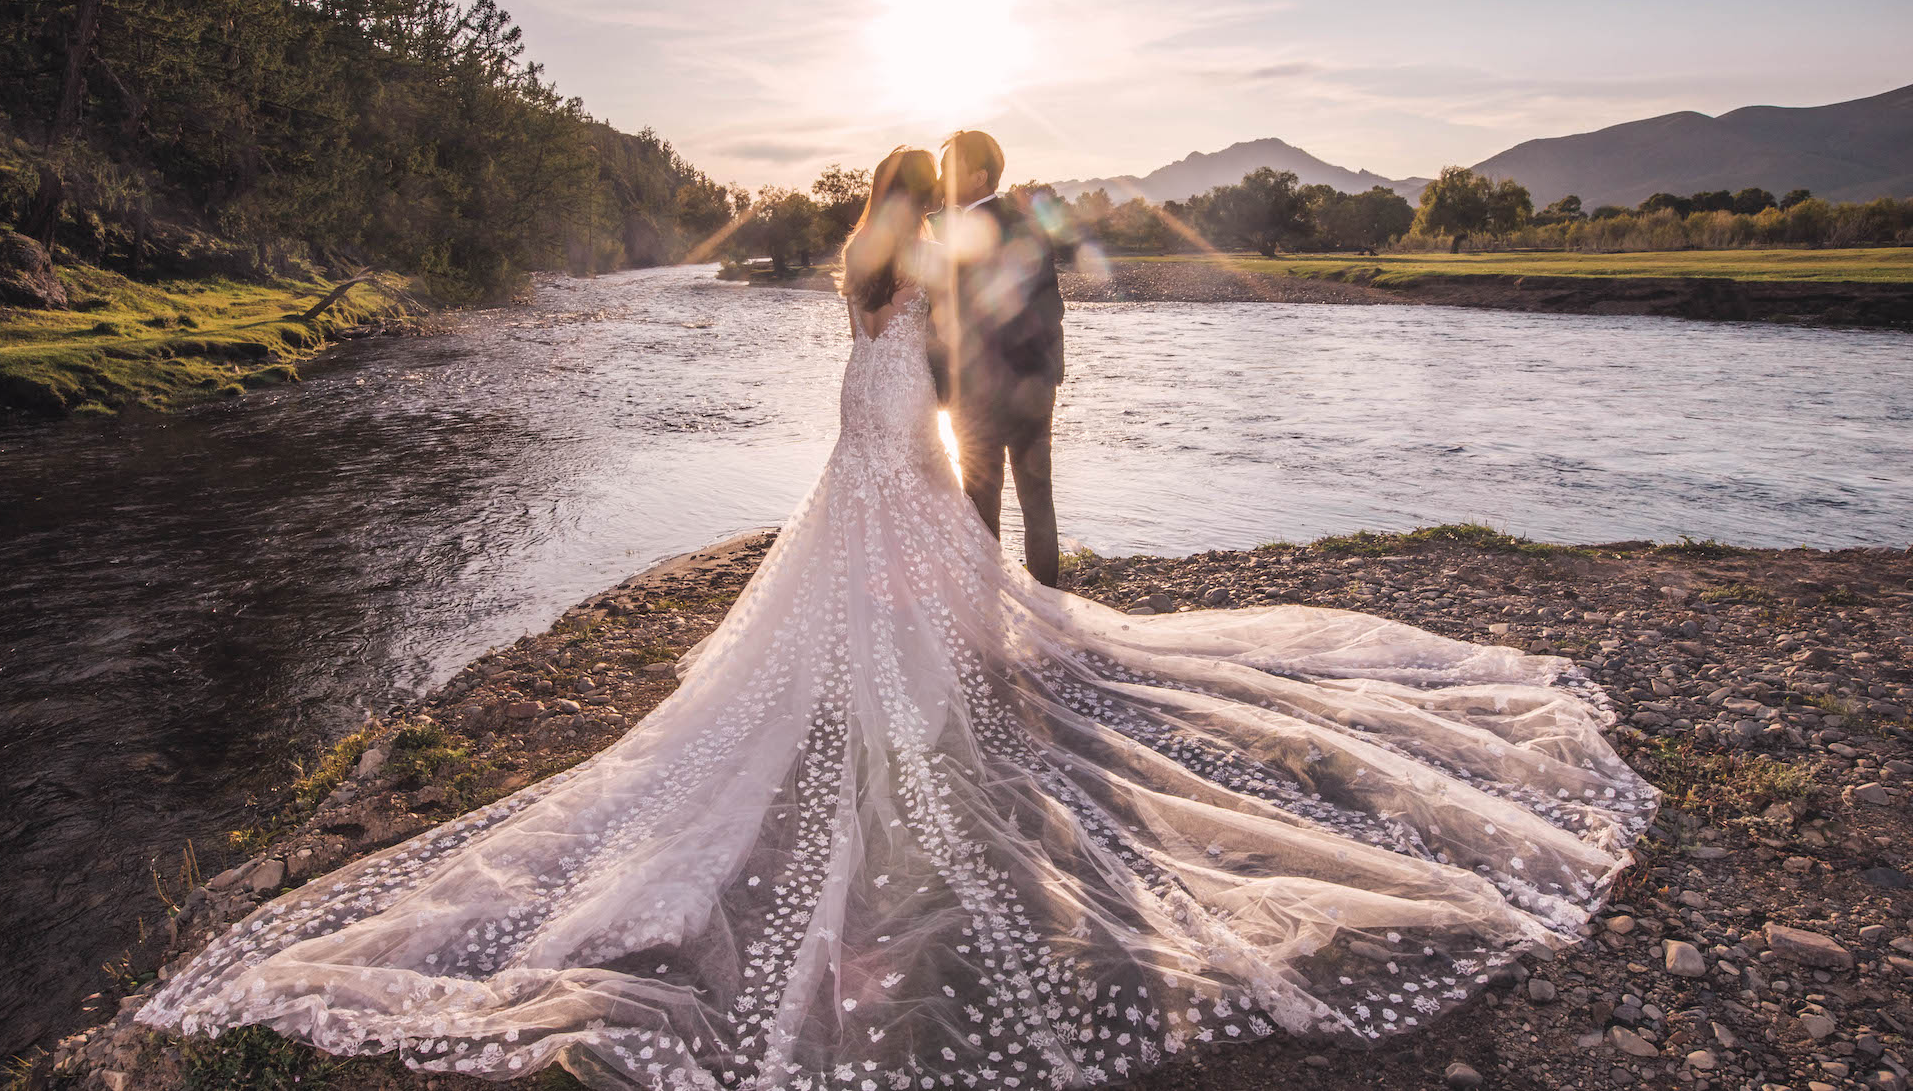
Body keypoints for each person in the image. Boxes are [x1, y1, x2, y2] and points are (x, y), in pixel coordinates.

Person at [137, 145, 1656, 1090]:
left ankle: (889, 690)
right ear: (921, 204)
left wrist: (908, 408)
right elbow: (934, 367)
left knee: (851, 572)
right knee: (924, 570)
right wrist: (953, 405)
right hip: (894, 421)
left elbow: (874, 355)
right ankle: (920, 695)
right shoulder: (920, 261)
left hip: (847, 431)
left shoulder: (853, 257)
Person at [926, 129, 1065, 587]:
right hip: (1029, 385)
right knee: (1033, 498)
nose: (943, 176)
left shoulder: (950, 228)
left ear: (980, 175)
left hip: (986, 388)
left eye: (951, 168)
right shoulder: (1024, 225)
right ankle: (1046, 604)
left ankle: (988, 603)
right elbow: (1052, 308)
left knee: (984, 499)